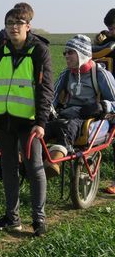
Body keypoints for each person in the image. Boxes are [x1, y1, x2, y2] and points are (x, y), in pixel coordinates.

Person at [0, 5, 53, 237]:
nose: (13, 27)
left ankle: (38, 219)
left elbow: (45, 89)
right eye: (9, 23)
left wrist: (41, 122)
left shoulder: (39, 51)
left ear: (28, 26)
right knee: (8, 169)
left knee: (34, 168)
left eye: (18, 23)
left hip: (28, 123)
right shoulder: (1, 51)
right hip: (3, 121)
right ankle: (12, 218)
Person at [45, 34, 115, 176]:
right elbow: (53, 97)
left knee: (67, 127)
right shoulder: (66, 73)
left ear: (82, 54)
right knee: (44, 127)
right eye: (65, 52)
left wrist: (103, 106)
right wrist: (47, 109)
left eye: (71, 52)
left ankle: (54, 162)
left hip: (90, 118)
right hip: (67, 114)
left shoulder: (100, 74)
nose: (66, 56)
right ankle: (29, 162)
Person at [91, 8, 115, 193]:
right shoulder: (109, 43)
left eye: (113, 28)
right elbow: (93, 54)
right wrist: (102, 39)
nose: (111, 31)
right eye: (109, 28)